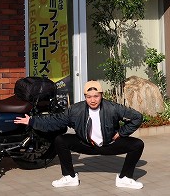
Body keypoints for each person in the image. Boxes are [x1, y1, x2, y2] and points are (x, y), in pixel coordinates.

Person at [14, 80, 145, 189]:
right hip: (86, 144)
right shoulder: (75, 110)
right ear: (85, 96)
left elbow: (137, 117)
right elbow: (56, 120)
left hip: (109, 144)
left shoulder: (113, 107)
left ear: (101, 95)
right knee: (61, 140)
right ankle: (69, 177)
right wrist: (32, 121)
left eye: (96, 96)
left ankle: (125, 178)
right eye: (89, 97)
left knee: (137, 144)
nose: (92, 100)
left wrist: (121, 133)